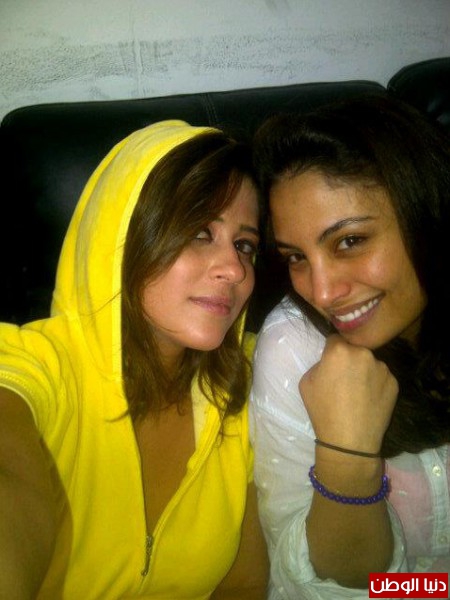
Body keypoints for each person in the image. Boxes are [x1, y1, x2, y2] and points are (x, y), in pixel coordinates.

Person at [0, 120, 269, 599]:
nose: (234, 269)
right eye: (199, 232)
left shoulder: (247, 379)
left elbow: (244, 584)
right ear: (121, 236)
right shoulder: (34, 363)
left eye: (244, 244)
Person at [249, 94, 450, 599]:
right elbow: (326, 587)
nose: (321, 294)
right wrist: (346, 457)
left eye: (349, 241)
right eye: (295, 257)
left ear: (426, 214)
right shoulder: (295, 349)